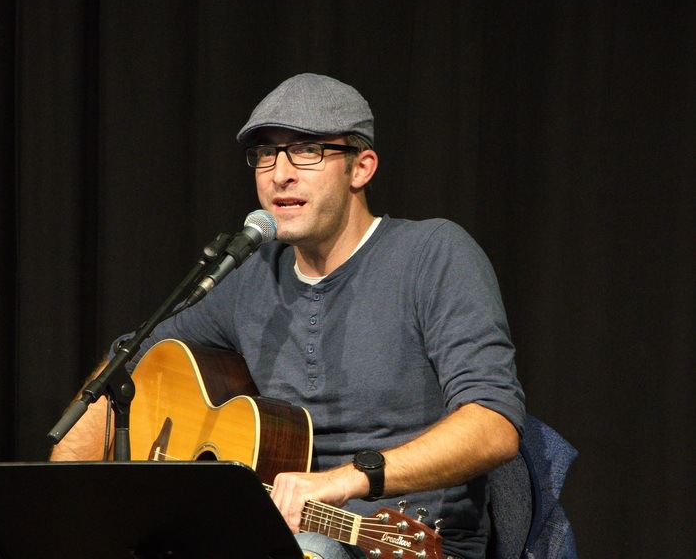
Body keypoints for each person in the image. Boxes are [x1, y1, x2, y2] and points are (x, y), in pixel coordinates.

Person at [50, 73, 526, 559]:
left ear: (361, 168)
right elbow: (127, 364)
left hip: (406, 542)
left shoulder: (432, 254)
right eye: (265, 154)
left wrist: (346, 480)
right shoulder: (252, 276)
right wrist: (63, 499)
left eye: (306, 151)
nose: (279, 174)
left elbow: (494, 423)